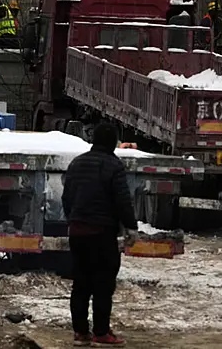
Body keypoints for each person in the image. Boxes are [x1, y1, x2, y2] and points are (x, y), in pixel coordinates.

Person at [62, 123, 138, 346]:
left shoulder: (77, 163)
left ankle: (80, 333)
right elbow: (122, 200)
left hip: (78, 233)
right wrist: (130, 227)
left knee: (81, 283)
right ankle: (101, 332)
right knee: (103, 285)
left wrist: (73, 219)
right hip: (102, 233)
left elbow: (67, 197)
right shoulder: (114, 166)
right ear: (113, 142)